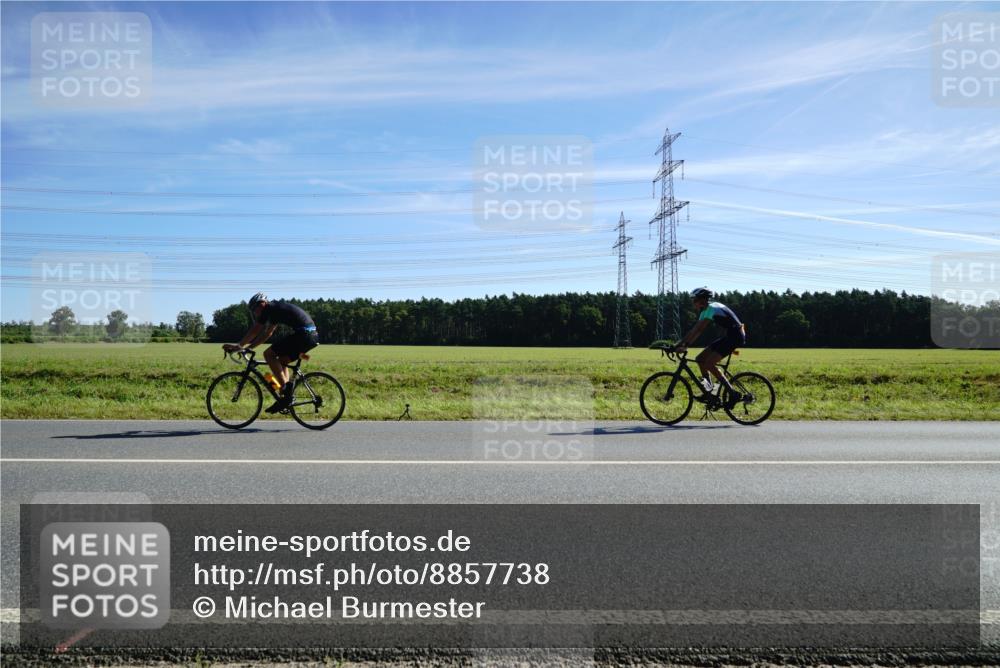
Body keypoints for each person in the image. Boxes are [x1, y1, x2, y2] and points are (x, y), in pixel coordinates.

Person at [223, 292, 319, 414]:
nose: (255, 313)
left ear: (262, 304)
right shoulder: (274, 310)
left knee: (268, 354)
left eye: (255, 309)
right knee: (281, 361)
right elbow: (268, 333)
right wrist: (250, 347)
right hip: (310, 336)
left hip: (304, 334)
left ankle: (285, 393)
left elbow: (256, 329)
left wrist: (240, 346)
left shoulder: (269, 309)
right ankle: (286, 395)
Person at [675, 287, 746, 409]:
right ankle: (710, 392)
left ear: (702, 300)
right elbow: (696, 331)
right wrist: (681, 344)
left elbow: (698, 330)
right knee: (700, 358)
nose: (693, 303)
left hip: (735, 336)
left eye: (695, 300)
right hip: (729, 336)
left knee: (708, 364)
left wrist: (683, 345)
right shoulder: (706, 311)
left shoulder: (711, 308)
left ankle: (732, 393)